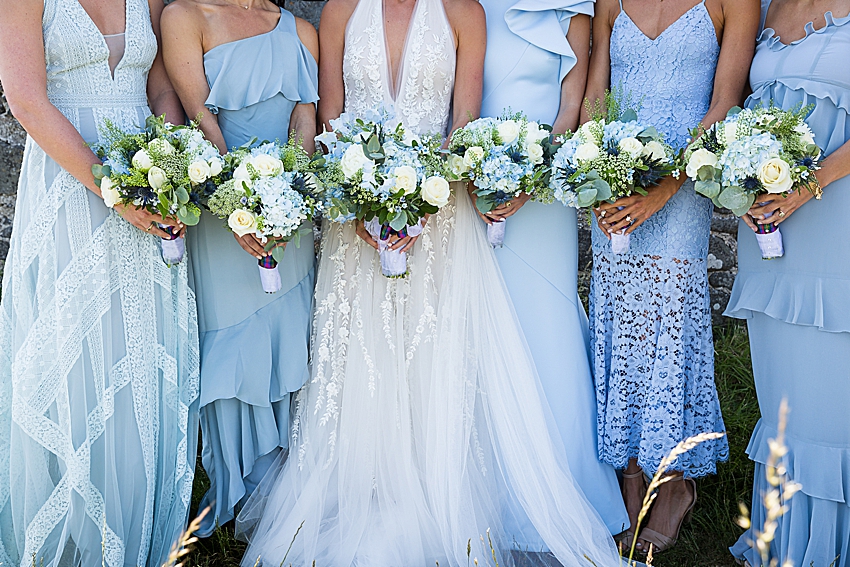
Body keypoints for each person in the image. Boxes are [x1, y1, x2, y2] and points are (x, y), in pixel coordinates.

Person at [233, 0, 623, 565]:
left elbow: (461, 129)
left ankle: (435, 494)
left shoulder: (464, 14)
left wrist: (416, 208)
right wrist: (359, 208)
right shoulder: (340, 11)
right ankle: (366, 488)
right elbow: (329, 123)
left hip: (438, 222)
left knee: (432, 359)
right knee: (363, 359)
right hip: (354, 227)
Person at [0, 0, 200, 564]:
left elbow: (160, 89)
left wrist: (171, 160)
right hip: (70, 189)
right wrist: (109, 188)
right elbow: (27, 102)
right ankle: (70, 532)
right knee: (76, 348)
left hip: (146, 177)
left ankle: (132, 518)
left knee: (136, 346)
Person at [583, 0, 759, 554]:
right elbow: (594, 96)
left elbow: (725, 105)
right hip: (614, 182)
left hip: (681, 187)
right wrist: (593, 168)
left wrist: (665, 188)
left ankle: (674, 479)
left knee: (667, 322)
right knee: (618, 317)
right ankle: (629, 472)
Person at [160, 0, 319, 537]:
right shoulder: (186, 17)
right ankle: (239, 490)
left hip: (286, 215)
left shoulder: (300, 29)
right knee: (233, 347)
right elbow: (199, 117)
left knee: (291, 335)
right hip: (225, 210)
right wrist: (240, 207)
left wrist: (287, 201)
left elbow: (304, 117)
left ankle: (292, 481)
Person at [475, 0, 628, 537]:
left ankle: (567, 486)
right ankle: (483, 489)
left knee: (548, 325)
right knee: (483, 329)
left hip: (542, 191)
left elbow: (576, 106)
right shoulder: (463, 7)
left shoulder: (572, 8)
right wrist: (477, 173)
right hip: (474, 191)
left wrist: (532, 173)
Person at [726, 1, 850, 565]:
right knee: (788, 398)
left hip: (834, 218)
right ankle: (788, 543)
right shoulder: (769, 4)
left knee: (832, 402)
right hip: (772, 234)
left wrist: (809, 182)